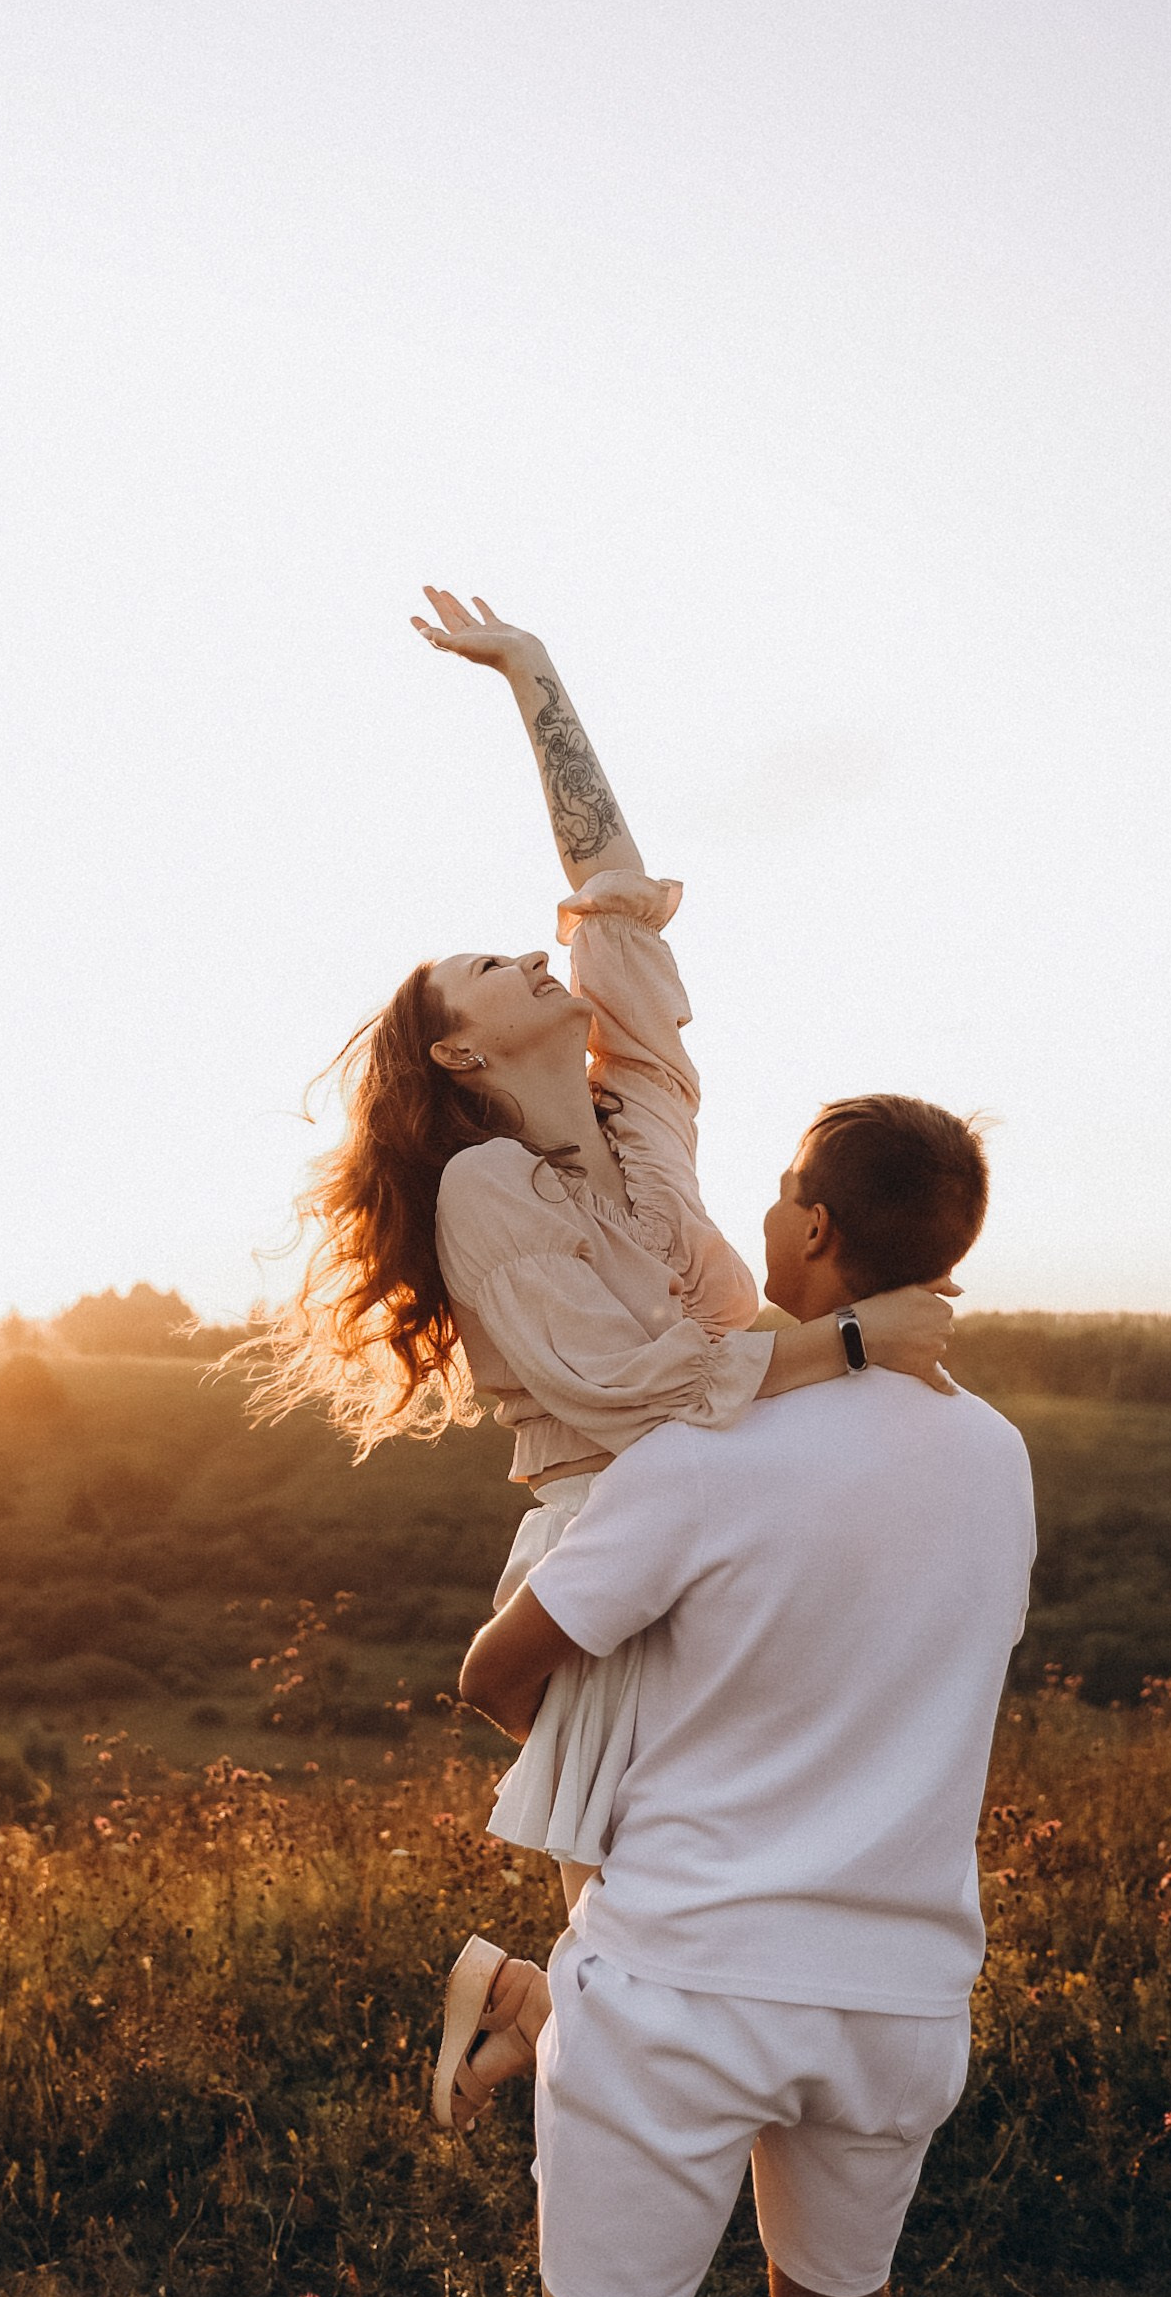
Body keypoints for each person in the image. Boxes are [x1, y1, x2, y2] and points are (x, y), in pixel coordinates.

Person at [398, 1096, 1035, 2297]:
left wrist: (638, 1716)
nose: (757, 1209)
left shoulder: (698, 1455)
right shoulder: (998, 1456)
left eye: (779, 1193)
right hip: (899, 1985)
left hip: (680, 1976)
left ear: (821, 1236)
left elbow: (496, 1675)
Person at [252, 588, 958, 2130]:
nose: (533, 955)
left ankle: (518, 2016)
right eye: (494, 971)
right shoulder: (483, 1191)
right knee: (652, 1936)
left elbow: (610, 890)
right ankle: (560, 2173)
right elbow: (626, 1391)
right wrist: (846, 1340)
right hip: (613, 1536)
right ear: (461, 1053)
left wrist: (535, 675)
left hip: (739, 1504)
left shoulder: (644, 1115)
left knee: (697, 1924)